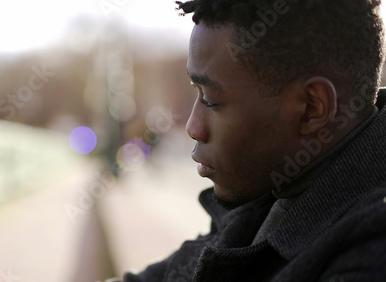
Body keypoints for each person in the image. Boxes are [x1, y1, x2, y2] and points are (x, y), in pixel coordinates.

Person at [113, 0, 386, 281]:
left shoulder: (372, 249)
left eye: (211, 100)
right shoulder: (267, 191)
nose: (193, 128)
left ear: (310, 108)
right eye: (197, 91)